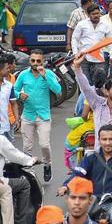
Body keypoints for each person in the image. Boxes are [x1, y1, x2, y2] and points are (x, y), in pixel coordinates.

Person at [57, 125, 112, 224]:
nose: (107, 142)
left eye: (111, 139)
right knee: (72, 218)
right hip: (93, 201)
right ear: (99, 140)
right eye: (104, 139)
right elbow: (78, 174)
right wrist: (66, 186)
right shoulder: (90, 156)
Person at [14, 49, 61, 183]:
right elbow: (15, 90)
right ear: (29, 61)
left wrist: (45, 76)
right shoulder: (23, 75)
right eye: (33, 60)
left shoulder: (49, 74)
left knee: (44, 144)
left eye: (38, 61)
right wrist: (19, 95)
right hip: (27, 115)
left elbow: (58, 90)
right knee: (27, 146)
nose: (35, 63)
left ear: (43, 61)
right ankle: (29, 171)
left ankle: (47, 164)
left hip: (43, 116)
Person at [0, 131, 38, 224]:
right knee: (24, 185)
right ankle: (20, 221)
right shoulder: (1, 140)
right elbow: (16, 155)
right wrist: (31, 160)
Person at [72, 4, 112, 83]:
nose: (96, 16)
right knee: (84, 82)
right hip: (84, 58)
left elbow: (110, 40)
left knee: (98, 83)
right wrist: (75, 53)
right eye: (93, 14)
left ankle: (97, 95)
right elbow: (75, 38)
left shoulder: (106, 24)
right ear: (88, 14)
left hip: (99, 58)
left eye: (97, 13)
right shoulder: (81, 24)